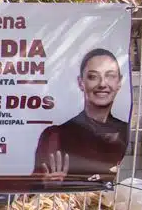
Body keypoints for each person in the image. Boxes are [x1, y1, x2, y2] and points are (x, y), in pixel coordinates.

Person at [35, 47, 130, 182]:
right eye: (93, 77)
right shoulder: (55, 136)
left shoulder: (126, 132)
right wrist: (49, 187)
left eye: (110, 76)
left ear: (119, 82)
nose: (102, 84)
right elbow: (32, 192)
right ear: (81, 83)